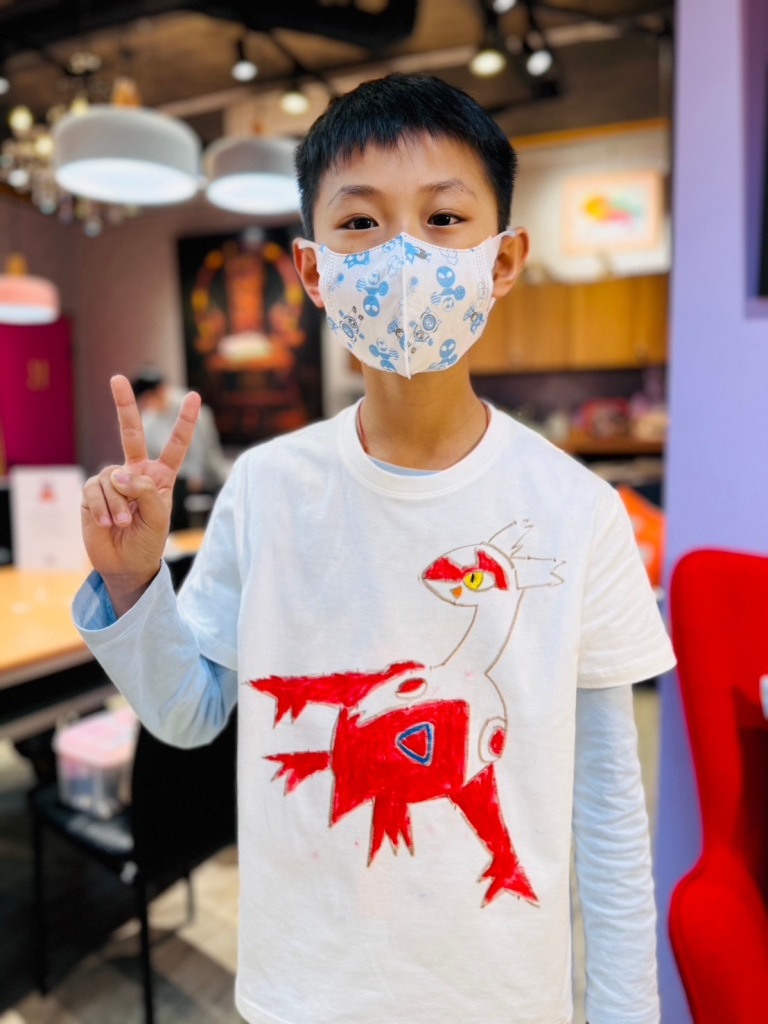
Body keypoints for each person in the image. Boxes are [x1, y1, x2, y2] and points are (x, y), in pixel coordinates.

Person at [74, 75, 675, 1024]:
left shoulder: (579, 511)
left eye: (443, 218)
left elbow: (608, 809)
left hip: (503, 999)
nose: (403, 255)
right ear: (313, 271)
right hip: (302, 992)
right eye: (360, 224)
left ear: (504, 259)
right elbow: (188, 715)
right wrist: (132, 580)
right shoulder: (266, 489)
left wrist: (626, 1011)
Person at [130, 367, 229, 529]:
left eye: (149, 398)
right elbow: (151, 452)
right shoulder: (149, 418)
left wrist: (195, 475)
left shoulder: (186, 406)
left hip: (206, 475)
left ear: (160, 390)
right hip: (175, 477)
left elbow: (200, 447)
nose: (148, 404)